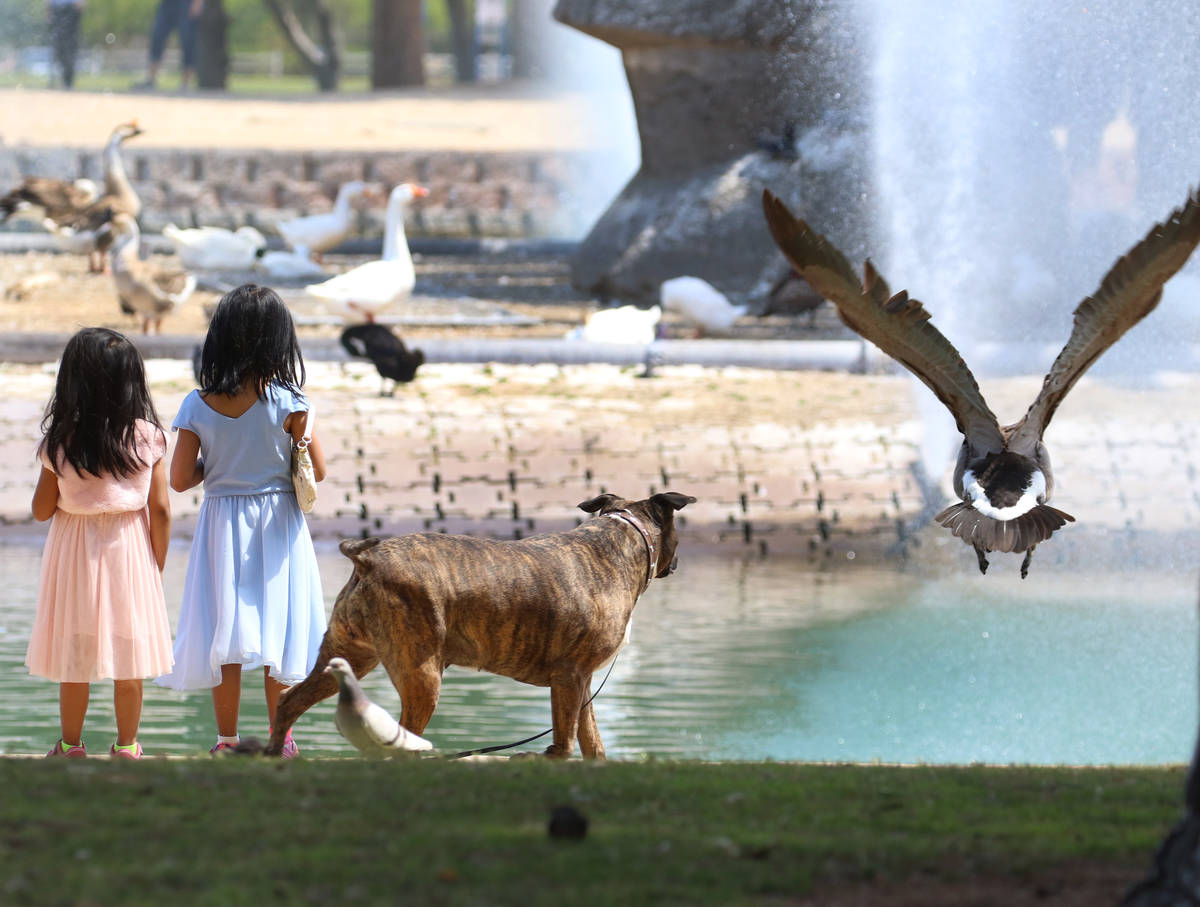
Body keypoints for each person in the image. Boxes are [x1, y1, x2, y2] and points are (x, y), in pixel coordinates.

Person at [157, 284, 327, 757]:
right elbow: (321, 471)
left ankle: (226, 740)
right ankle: (281, 739)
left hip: (222, 523)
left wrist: (220, 464)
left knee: (223, 634)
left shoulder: (198, 403)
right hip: (279, 523)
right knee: (280, 633)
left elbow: (179, 479)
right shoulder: (294, 402)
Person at [26, 327, 173, 760]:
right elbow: (161, 510)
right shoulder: (148, 437)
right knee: (130, 652)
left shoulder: (60, 442)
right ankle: (127, 745)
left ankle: (71, 744)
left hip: (74, 551)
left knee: (75, 651)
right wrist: (156, 563)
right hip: (129, 547)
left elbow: (40, 510)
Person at [135, 0, 203, 91]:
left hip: (187, 3)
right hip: (168, 3)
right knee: (157, 36)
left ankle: (185, 83)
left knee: (188, 41)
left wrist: (198, 2)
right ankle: (151, 80)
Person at [47, 0, 85, 89]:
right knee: (58, 47)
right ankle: (56, 80)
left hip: (71, 9)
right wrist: (49, 9)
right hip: (57, 10)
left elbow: (81, 5)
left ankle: (68, 82)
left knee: (70, 49)